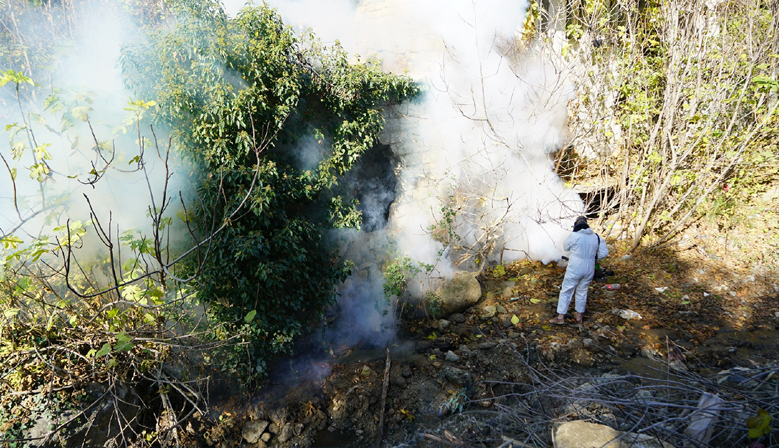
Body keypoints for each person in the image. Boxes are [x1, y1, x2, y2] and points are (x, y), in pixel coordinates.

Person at [550, 216, 608, 325]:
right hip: (589, 268)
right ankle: (578, 316)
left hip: (575, 268)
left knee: (567, 290)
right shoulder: (596, 237)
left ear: (576, 224)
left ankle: (560, 317)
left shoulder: (574, 235)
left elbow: (566, 247)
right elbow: (604, 252)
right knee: (582, 291)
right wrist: (593, 259)